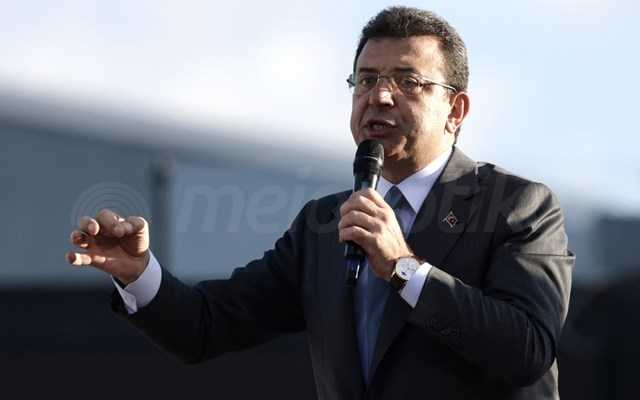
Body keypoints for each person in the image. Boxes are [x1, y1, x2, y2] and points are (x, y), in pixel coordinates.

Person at [65, 7, 574, 399]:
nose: (380, 97)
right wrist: (138, 272)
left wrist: (403, 268)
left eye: (407, 82)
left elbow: (527, 350)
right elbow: (206, 326)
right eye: (366, 80)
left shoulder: (517, 206)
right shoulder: (324, 225)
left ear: (455, 109)